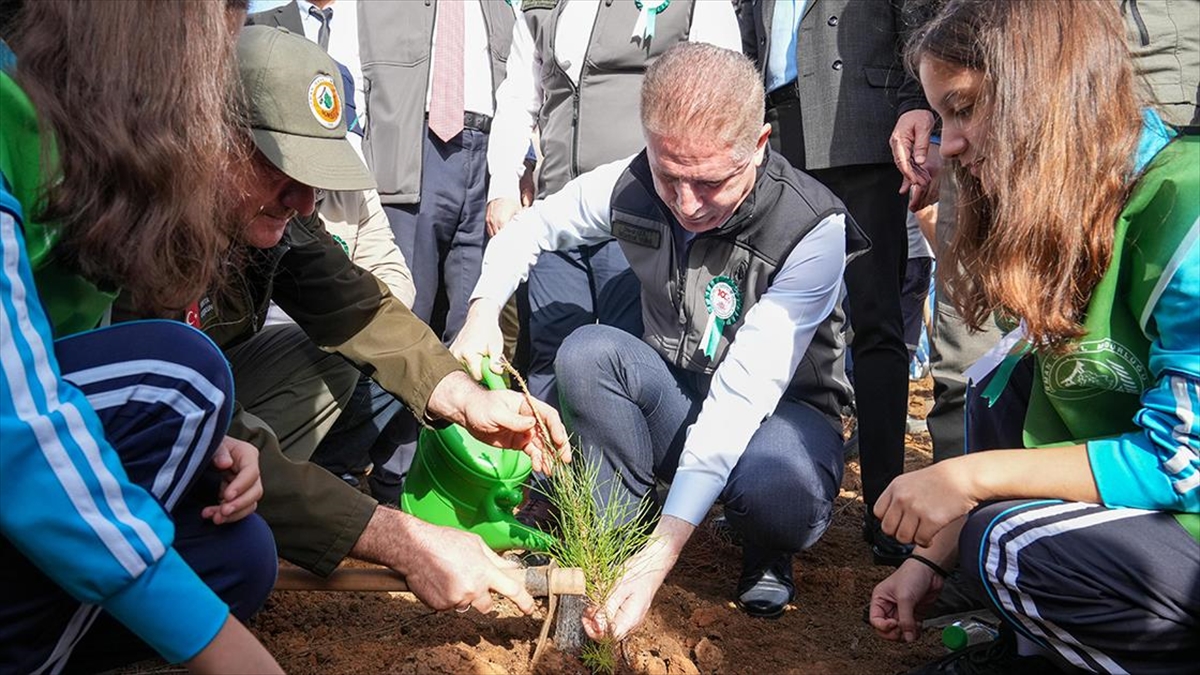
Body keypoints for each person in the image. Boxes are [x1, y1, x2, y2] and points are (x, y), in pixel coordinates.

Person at [114, 25, 571, 618]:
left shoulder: (271, 211)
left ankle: (247, 509)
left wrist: (462, 397)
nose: (306, 203)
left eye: (316, 180)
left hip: (200, 401)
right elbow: (172, 413)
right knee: (242, 554)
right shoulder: (135, 225)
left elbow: (359, 307)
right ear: (214, 140)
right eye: (285, 172)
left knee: (319, 362)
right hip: (113, 431)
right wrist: (397, 539)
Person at [454, 42, 868, 634]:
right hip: (683, 393)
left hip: (783, 417)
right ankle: (611, 532)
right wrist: (482, 309)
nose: (686, 204)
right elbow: (534, 227)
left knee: (778, 492)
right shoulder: (633, 182)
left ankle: (762, 547)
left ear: (759, 145)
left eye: (709, 183)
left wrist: (662, 558)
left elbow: (744, 395)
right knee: (588, 350)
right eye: (669, 176)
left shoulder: (811, 228)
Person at [868, 2, 1199, 673]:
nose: (948, 142)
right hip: (1158, 535)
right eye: (941, 117)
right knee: (1003, 381)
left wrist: (967, 478)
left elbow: (1184, 459)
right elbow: (1048, 423)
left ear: (1041, 91)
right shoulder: (1089, 205)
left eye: (963, 109)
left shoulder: (1183, 208)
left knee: (1006, 543)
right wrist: (934, 553)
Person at [0, 1, 281, 673]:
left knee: (239, 559)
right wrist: (223, 650)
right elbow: (18, 426)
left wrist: (208, 442)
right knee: (180, 380)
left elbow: (57, 356)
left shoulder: (68, 144)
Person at [737, 0, 931, 566]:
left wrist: (917, 105)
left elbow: (919, 20)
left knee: (876, 324)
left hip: (865, 128)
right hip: (773, 132)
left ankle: (887, 509)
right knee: (780, 320)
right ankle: (775, 501)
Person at [485, 0, 741, 406]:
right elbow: (518, 98)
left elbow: (723, 93)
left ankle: (629, 468)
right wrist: (502, 185)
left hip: (644, 215)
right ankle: (554, 468)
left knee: (632, 358)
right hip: (556, 216)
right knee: (549, 357)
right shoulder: (537, 6)